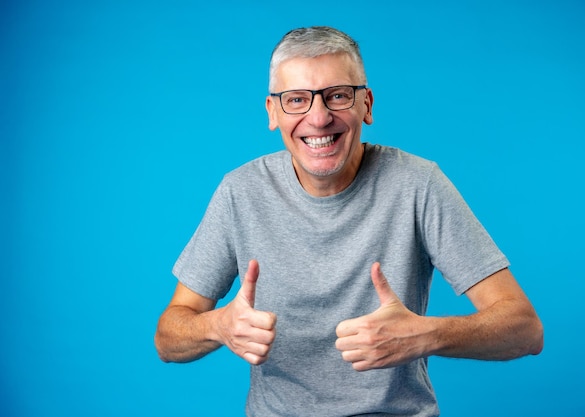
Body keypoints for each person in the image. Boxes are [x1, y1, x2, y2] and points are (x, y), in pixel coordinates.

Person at [155, 26, 543, 417]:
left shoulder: (418, 184)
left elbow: (525, 329)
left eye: (337, 96)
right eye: (296, 100)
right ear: (273, 112)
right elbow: (168, 337)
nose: (319, 118)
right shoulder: (240, 192)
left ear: (367, 105)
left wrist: (427, 334)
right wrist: (218, 326)